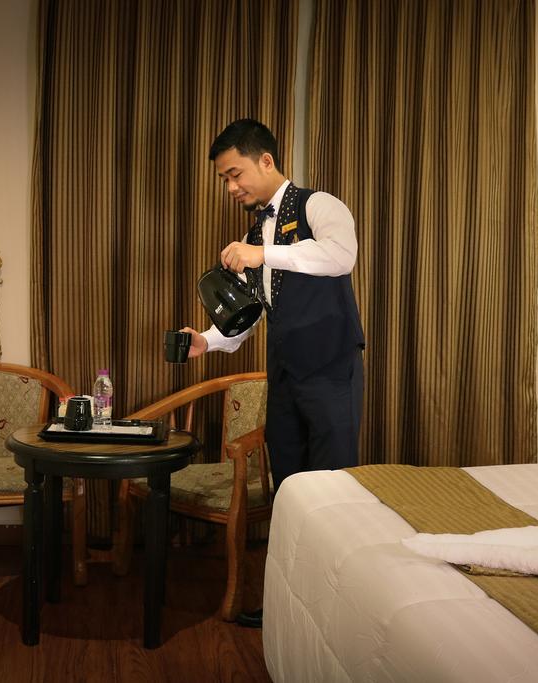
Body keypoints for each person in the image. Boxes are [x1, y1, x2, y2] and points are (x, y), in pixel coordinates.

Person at [180, 119, 365, 626]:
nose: (231, 187)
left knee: (330, 493)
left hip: (330, 372)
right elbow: (256, 310)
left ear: (266, 160)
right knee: (289, 492)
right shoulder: (253, 233)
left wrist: (263, 253)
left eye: (235, 174)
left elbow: (341, 255)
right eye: (224, 179)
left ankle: (333, 612)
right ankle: (288, 609)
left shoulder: (319, 205)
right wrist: (208, 340)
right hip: (283, 377)